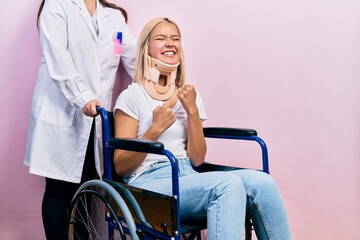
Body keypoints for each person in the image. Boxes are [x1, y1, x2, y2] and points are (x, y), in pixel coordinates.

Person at [113, 17, 292, 240]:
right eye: (161, 38)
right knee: (227, 184)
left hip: (188, 174)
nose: (170, 43)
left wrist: (192, 112)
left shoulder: (189, 97)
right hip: (149, 183)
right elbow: (121, 167)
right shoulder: (132, 97)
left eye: (175, 38)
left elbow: (197, 160)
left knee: (263, 182)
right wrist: (154, 130)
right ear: (145, 49)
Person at [24, 0, 136, 239]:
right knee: (58, 190)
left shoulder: (113, 17)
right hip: (61, 113)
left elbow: (132, 57)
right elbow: (59, 61)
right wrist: (83, 98)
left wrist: (160, 85)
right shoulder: (57, 6)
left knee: (87, 188)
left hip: (96, 121)